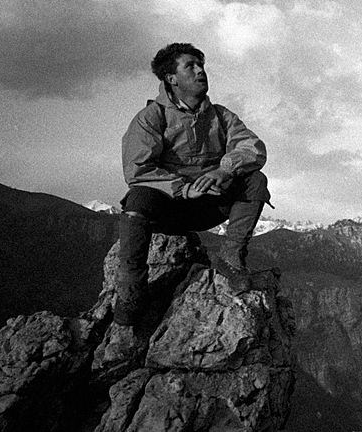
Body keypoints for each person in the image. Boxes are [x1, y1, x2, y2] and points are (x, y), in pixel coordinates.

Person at [114, 42, 270, 326]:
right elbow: (138, 170)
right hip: (169, 209)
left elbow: (253, 148)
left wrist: (225, 170)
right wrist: (184, 189)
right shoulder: (151, 117)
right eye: (191, 66)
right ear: (171, 78)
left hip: (209, 205)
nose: (200, 71)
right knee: (137, 199)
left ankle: (231, 259)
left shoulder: (221, 116)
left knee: (255, 180)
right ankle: (130, 292)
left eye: (201, 65)